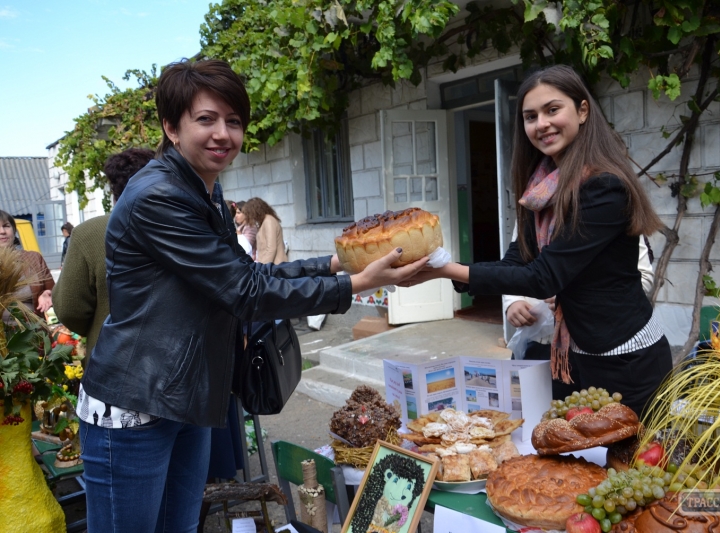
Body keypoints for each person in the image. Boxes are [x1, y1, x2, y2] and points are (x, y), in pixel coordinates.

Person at [75, 59, 427, 533]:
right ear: (171, 128)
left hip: (186, 397)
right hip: (134, 405)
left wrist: (334, 264)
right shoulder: (157, 196)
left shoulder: (205, 193)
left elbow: (247, 273)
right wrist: (361, 284)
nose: (223, 134)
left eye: (234, 121)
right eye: (206, 119)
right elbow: (244, 292)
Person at [403, 65, 671, 417]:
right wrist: (445, 267)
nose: (541, 123)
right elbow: (518, 261)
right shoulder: (540, 191)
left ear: (583, 110)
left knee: (628, 466)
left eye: (552, 109)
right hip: (571, 357)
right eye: (530, 116)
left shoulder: (604, 187)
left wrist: (444, 270)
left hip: (627, 361)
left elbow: (544, 277)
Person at [503, 231, 655, 400]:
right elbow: (514, 262)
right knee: (525, 415)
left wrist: (572, 297)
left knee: (586, 418)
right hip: (535, 341)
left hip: (589, 346)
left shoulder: (609, 209)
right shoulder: (533, 207)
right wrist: (512, 300)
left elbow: (642, 279)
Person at [52, 148, 154, 364]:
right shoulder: (185, 228)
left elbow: (69, 308)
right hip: (180, 371)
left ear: (112, 188)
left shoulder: (88, 234)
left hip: (111, 363)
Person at [0, 210, 54, 317]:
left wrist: (46, 294)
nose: (2, 231)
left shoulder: (34, 258)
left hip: (34, 331)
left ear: (14, 230)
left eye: (6, 226)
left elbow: (55, 291)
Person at [241, 196, 288, 264]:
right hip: (270, 266)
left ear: (255, 211)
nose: (250, 217)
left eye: (250, 213)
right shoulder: (264, 222)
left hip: (275, 266)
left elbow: (271, 249)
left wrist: (263, 268)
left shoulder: (269, 221)